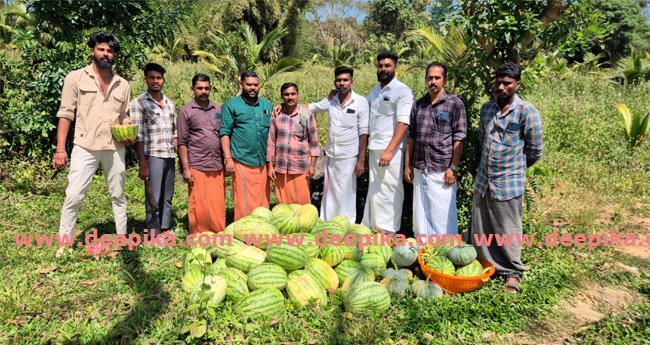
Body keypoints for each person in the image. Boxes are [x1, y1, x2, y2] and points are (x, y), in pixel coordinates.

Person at [467, 62, 544, 293]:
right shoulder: (487, 109)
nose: (501, 87)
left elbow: (535, 149)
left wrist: (517, 168)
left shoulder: (526, 111)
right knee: (482, 225)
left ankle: (513, 272)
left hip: (508, 182)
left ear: (516, 85)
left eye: (507, 83)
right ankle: (487, 263)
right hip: (484, 179)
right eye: (498, 82)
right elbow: (483, 138)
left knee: (507, 228)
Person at [52, 32, 131, 257]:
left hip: (114, 147)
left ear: (115, 55)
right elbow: (66, 114)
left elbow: (124, 115)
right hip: (85, 146)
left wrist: (127, 129)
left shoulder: (122, 84)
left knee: (118, 194)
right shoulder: (76, 78)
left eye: (110, 50)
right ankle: (64, 243)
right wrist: (60, 149)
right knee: (74, 194)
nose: (106, 54)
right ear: (92, 51)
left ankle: (122, 239)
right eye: (101, 49)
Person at [405, 62, 467, 236]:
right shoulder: (418, 105)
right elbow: (411, 137)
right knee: (420, 213)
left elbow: (459, 138)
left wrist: (453, 168)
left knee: (442, 214)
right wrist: (407, 166)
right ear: (426, 80)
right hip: (420, 166)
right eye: (430, 78)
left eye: (437, 78)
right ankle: (423, 251)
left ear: (444, 80)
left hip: (442, 169)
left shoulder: (455, 104)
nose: (433, 81)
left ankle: (445, 252)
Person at [307, 66, 369, 222]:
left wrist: (361, 160)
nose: (342, 83)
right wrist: (284, 106)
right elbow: (312, 107)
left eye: (345, 80)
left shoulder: (361, 102)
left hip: (349, 157)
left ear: (351, 82)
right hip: (332, 155)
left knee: (347, 192)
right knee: (330, 192)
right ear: (335, 82)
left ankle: (345, 224)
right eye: (339, 80)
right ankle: (327, 223)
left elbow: (363, 133)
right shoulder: (331, 101)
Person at [362, 51, 414, 233]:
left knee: (390, 189)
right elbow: (362, 107)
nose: (383, 69)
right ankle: (373, 228)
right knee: (375, 189)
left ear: (395, 68)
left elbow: (403, 122)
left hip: (390, 150)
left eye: (387, 66)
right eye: (380, 66)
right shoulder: (375, 92)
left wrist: (390, 150)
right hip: (374, 147)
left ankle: (388, 231)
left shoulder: (402, 91)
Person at [130, 62, 177, 236]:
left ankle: (165, 228)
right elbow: (138, 136)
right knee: (153, 196)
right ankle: (152, 232)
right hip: (153, 155)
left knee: (167, 194)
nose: (155, 81)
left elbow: (174, 133)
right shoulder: (139, 103)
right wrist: (143, 163)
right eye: (152, 78)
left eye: (159, 78)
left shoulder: (169, 103)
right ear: (145, 79)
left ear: (163, 80)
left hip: (169, 155)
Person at [220, 71, 273, 220]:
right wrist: (228, 158)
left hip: (262, 161)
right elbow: (224, 133)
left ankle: (263, 229)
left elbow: (272, 132)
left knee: (262, 198)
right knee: (243, 200)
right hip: (241, 160)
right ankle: (244, 230)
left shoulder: (267, 105)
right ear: (241, 84)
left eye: (255, 85)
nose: (252, 88)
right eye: (249, 84)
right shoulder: (231, 105)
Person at [177, 74, 226, 233]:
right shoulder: (186, 111)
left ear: (210, 89)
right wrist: (186, 168)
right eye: (199, 88)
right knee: (198, 204)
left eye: (206, 88)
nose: (203, 91)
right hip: (197, 164)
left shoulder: (218, 109)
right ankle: (199, 237)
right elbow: (182, 142)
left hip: (216, 165)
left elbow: (222, 134)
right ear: (193, 89)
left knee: (217, 203)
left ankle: (218, 235)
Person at [267, 83, 320, 204]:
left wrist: (312, 165)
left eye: (293, 94)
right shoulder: (277, 115)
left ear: (298, 95)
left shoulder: (306, 114)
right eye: (286, 94)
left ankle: (304, 223)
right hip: (281, 167)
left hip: (301, 166)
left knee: (302, 202)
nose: (290, 97)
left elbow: (314, 142)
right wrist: (270, 166)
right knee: (283, 204)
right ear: (281, 96)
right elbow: (271, 141)